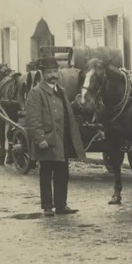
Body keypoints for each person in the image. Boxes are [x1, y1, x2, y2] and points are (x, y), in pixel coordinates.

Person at [23, 56, 85, 216]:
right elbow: (33, 119)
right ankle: (48, 206)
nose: (53, 75)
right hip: (48, 139)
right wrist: (40, 139)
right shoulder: (36, 93)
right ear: (42, 74)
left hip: (62, 138)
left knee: (62, 172)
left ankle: (61, 205)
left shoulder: (61, 91)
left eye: (55, 71)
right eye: (49, 72)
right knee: (46, 172)